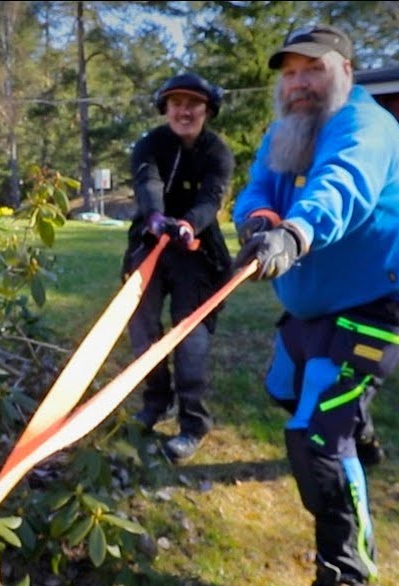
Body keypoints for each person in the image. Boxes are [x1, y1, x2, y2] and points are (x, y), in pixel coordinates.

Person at [230, 25, 399, 586]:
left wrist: (295, 235)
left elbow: (339, 186)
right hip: (313, 308)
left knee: (317, 438)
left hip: (377, 306)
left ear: (345, 69)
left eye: (311, 69)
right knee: (283, 388)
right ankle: (361, 435)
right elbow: (258, 190)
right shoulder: (286, 131)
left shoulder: (363, 127)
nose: (298, 84)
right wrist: (260, 221)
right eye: (289, 73)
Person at [121, 72, 236, 464]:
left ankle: (193, 423)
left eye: (193, 104)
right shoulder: (149, 145)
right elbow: (147, 184)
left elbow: (211, 198)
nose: (184, 111)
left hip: (198, 251)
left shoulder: (218, 152)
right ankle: (155, 402)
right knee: (142, 329)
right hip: (150, 243)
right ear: (165, 109)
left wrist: (188, 223)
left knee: (192, 338)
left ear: (207, 110)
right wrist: (155, 217)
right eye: (176, 103)